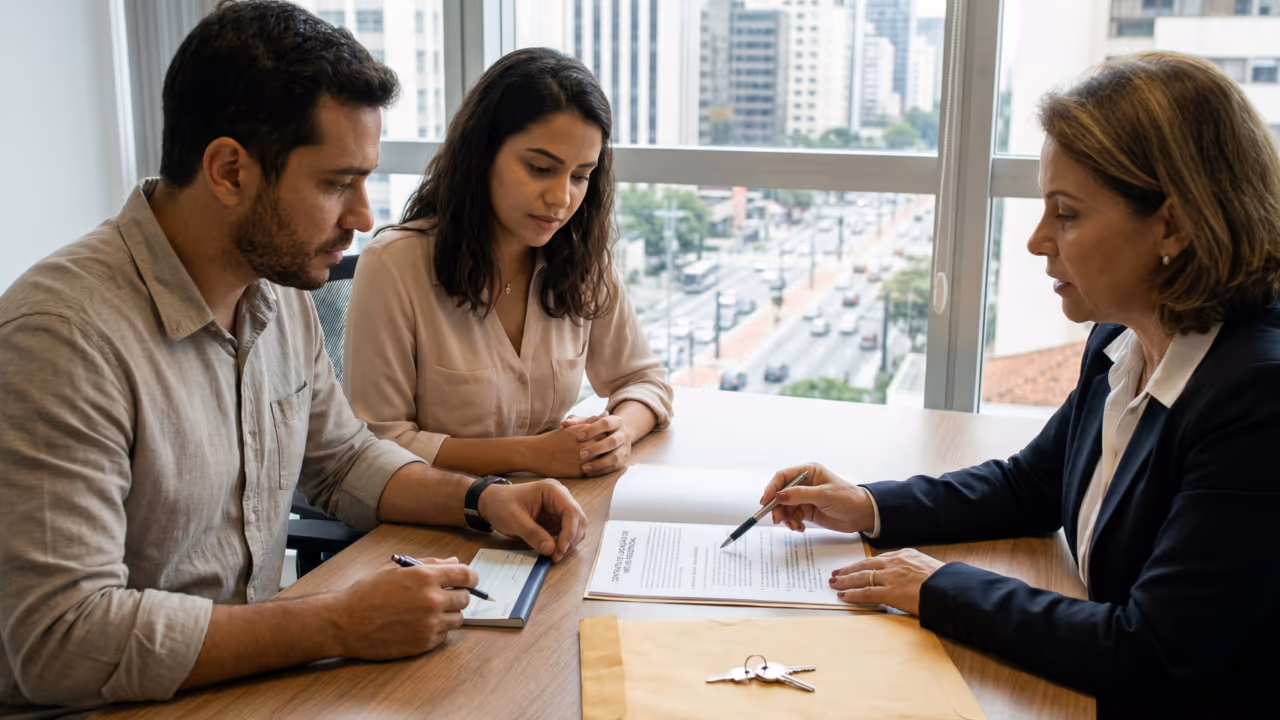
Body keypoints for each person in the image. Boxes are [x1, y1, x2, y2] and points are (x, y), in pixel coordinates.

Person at [0, 3, 587, 717]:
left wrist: (482, 497)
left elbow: (341, 459)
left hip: (242, 687)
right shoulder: (63, 337)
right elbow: (60, 642)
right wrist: (337, 621)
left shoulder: (273, 297)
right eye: (338, 183)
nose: (365, 216)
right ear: (227, 170)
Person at [760, 52, 1280, 717]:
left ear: (1171, 225)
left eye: (1065, 215)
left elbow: (1151, 652)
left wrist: (939, 585)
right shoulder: (1123, 336)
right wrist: (865, 505)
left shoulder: (1257, 398)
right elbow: (1032, 484)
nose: (1038, 241)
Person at [343, 48, 672, 480]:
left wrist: (618, 435)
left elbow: (644, 381)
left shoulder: (580, 258)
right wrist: (532, 455)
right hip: (436, 522)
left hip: (552, 511)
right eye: (539, 168)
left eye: (580, 176)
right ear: (481, 156)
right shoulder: (395, 265)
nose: (561, 199)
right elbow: (380, 443)